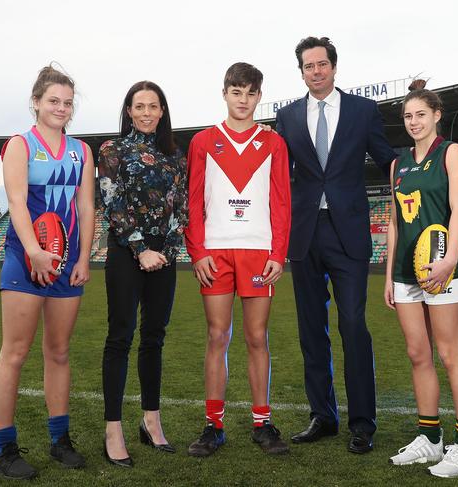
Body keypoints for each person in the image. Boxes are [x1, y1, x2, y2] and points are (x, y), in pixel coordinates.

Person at [275, 36, 396, 454]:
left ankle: (362, 423)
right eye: (309, 66)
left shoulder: (363, 110)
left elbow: (387, 159)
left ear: (334, 66)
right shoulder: (286, 117)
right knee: (312, 330)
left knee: (353, 326)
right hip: (304, 233)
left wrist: (428, 165)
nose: (316, 71)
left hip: (349, 233)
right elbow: (276, 175)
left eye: (322, 63)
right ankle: (323, 416)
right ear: (302, 72)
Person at [0, 65, 94, 479]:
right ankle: (4, 447)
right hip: (25, 258)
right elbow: (17, 204)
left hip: (66, 261)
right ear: (36, 102)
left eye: (68, 103)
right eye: (53, 100)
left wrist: (83, 257)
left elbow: (86, 208)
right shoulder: (20, 145)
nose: (61, 108)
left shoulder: (81, 151)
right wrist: (34, 251)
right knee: (14, 352)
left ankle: (59, 440)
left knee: (59, 352)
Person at [185, 62, 291, 456]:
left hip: (258, 253)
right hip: (215, 252)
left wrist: (278, 253)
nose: (243, 100)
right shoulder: (203, 142)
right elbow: (193, 201)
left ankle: (262, 423)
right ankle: (213, 426)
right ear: (224, 93)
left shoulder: (274, 143)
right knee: (217, 336)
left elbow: (281, 201)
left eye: (250, 93)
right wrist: (198, 251)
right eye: (236, 92)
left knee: (257, 337)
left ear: (259, 96)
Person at [383, 80, 458, 477]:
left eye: (421, 114)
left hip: (443, 267)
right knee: (418, 354)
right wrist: (389, 275)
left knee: (450, 354)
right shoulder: (397, 163)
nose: (414, 121)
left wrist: (451, 260)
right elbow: (393, 221)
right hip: (407, 271)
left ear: (437, 115)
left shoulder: (451, 152)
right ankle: (430, 437)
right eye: (408, 116)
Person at [98, 80, 188, 466]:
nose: (147, 112)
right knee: (121, 337)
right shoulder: (112, 150)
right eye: (140, 106)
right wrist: (140, 248)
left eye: (154, 106)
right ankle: (112, 428)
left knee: (155, 337)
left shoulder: (174, 155)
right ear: (129, 111)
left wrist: (163, 251)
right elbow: (112, 203)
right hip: (125, 252)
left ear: (162, 111)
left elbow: (180, 207)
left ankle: (151, 420)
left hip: (163, 256)